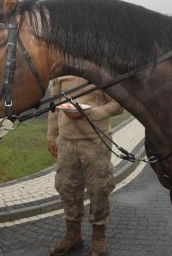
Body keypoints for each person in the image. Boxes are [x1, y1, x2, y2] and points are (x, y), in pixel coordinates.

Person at [47, 76, 124, 256]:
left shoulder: (98, 71)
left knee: (99, 189)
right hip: (66, 143)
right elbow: (53, 107)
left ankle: (99, 237)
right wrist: (51, 136)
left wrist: (89, 113)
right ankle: (73, 236)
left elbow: (118, 105)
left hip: (95, 142)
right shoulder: (61, 75)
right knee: (67, 189)